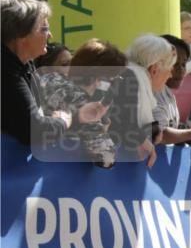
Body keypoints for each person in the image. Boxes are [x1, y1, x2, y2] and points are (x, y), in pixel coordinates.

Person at [2, 0, 105, 147]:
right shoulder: (6, 72)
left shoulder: (24, 66)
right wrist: (63, 121)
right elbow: (35, 132)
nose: (50, 35)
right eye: (44, 29)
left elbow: (37, 121)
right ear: (21, 35)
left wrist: (77, 118)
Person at [40, 39, 126, 167]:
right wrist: (102, 124)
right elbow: (106, 158)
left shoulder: (50, 79)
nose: (110, 85)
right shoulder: (74, 96)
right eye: (111, 78)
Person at [107, 34, 177, 167]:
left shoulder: (129, 73)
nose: (170, 75)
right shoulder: (131, 76)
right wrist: (144, 142)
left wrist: (152, 132)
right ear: (154, 69)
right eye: (169, 69)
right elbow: (126, 124)